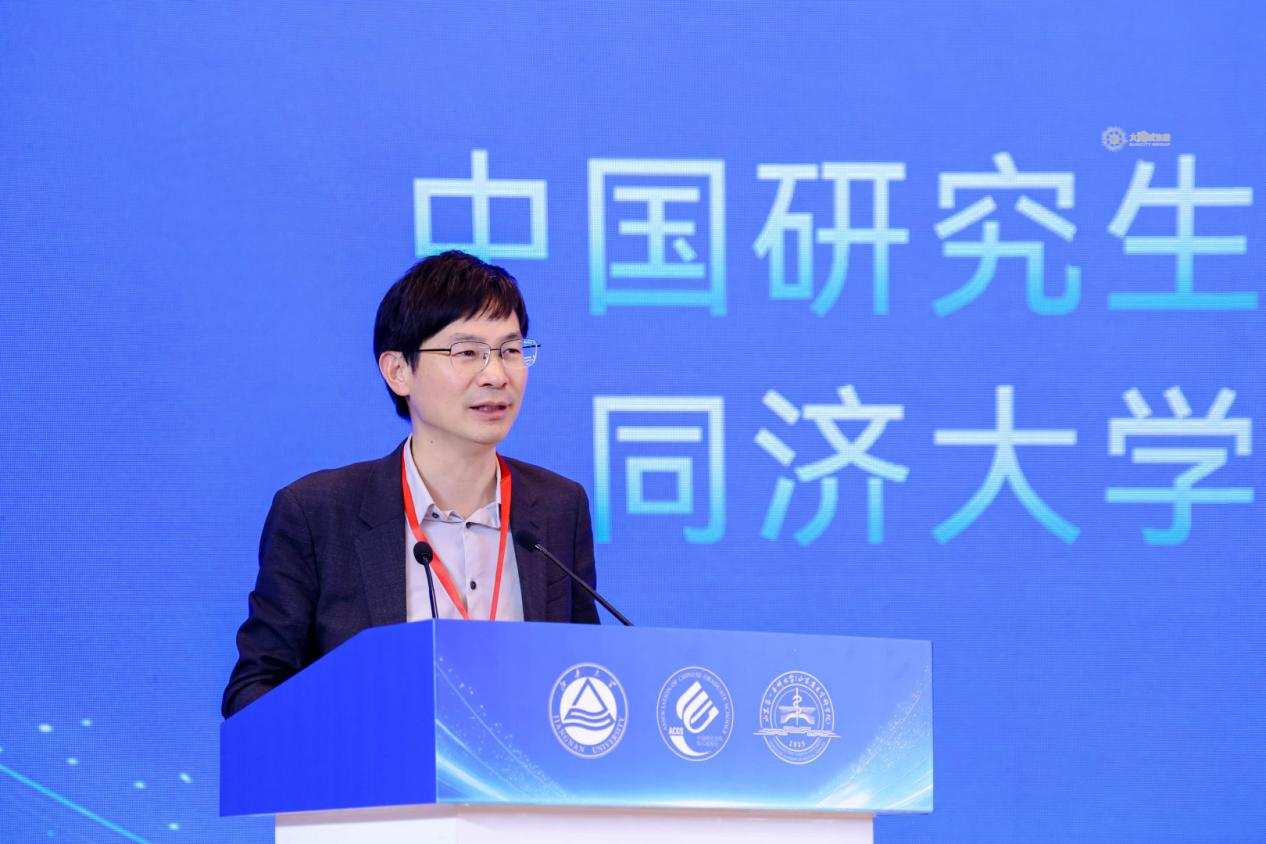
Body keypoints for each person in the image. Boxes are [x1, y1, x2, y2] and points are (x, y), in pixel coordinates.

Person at [221, 250, 599, 718]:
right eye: (467, 353)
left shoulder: (559, 508)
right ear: (398, 371)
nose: (497, 375)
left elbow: (589, 675)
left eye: (510, 351)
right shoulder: (318, 514)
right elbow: (253, 694)